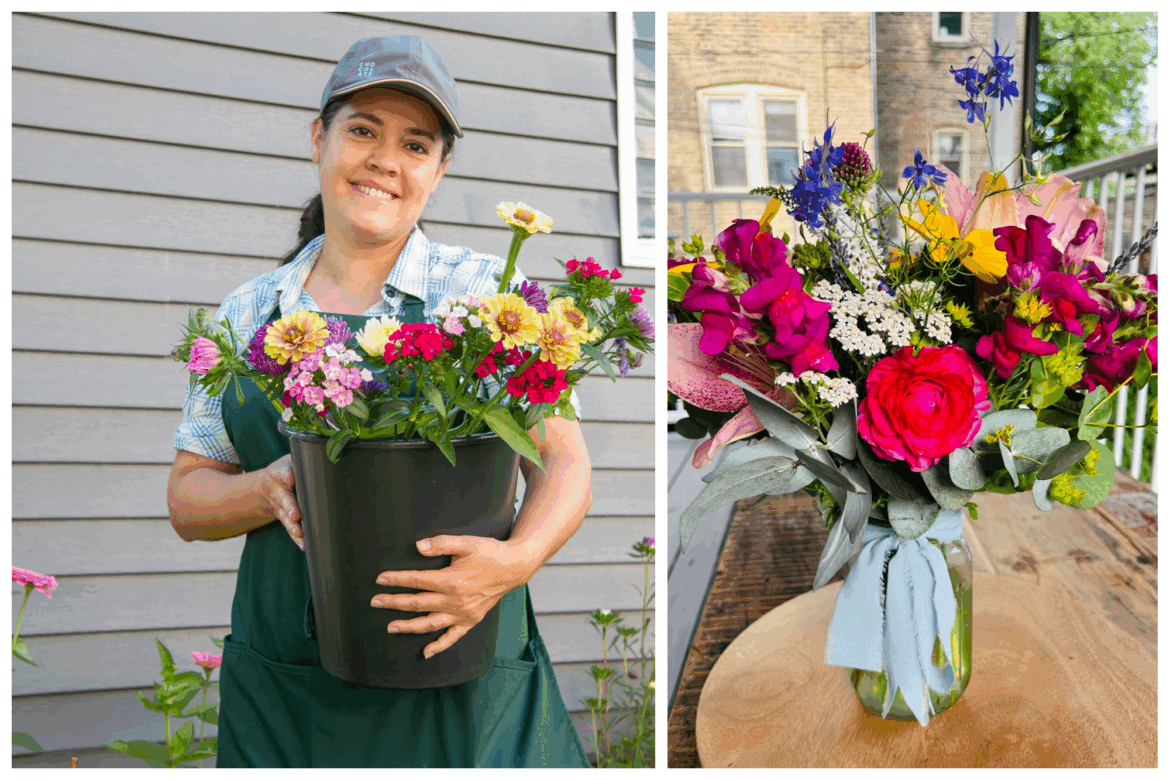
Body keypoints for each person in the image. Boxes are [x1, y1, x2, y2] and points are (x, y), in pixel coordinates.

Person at [166, 35, 592, 768]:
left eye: (415, 144)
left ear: (439, 169)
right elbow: (186, 499)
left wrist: (513, 562)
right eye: (362, 130)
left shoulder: (487, 294)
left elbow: (563, 464)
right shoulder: (245, 312)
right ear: (318, 141)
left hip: (459, 676)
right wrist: (263, 490)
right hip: (289, 696)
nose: (385, 161)